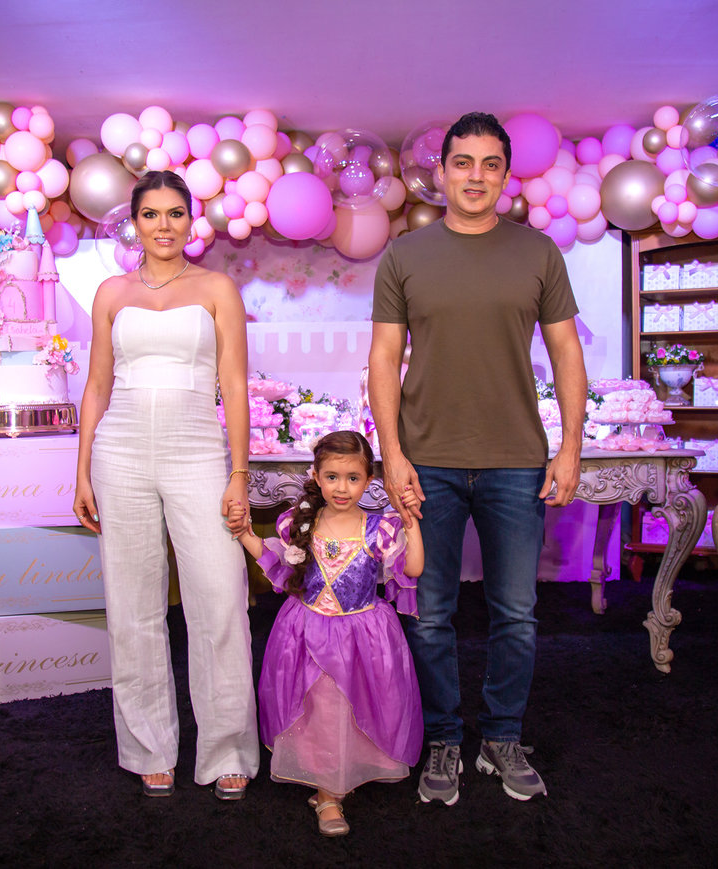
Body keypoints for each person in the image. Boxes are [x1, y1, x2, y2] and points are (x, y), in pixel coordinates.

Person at [368, 112, 587, 805]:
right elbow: (383, 359)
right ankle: (441, 738)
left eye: (491, 164)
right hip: (425, 461)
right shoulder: (403, 255)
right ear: (441, 171)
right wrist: (391, 454)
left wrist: (571, 446)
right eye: (463, 162)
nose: (475, 176)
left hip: (516, 460)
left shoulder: (538, 252)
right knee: (431, 613)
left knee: (515, 613)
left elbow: (566, 352)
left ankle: (501, 736)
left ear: (506, 174)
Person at [73, 170, 259, 800]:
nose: (163, 225)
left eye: (175, 213)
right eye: (151, 214)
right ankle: (149, 746)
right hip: (119, 451)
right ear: (134, 223)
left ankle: (228, 748)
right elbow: (97, 384)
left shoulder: (217, 287)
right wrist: (82, 469)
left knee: (220, 597)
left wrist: (239, 473)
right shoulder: (111, 292)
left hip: (197, 449)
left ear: (190, 220)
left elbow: (234, 384)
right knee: (132, 605)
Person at [227, 431, 424, 836]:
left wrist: (411, 524)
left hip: (362, 635)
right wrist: (245, 533)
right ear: (316, 476)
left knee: (355, 703)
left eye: (353, 478)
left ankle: (342, 774)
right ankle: (327, 793)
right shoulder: (299, 523)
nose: (342, 488)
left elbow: (413, 569)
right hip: (307, 631)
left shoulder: (380, 528)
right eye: (332, 477)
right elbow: (279, 562)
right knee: (319, 705)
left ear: (369, 481)